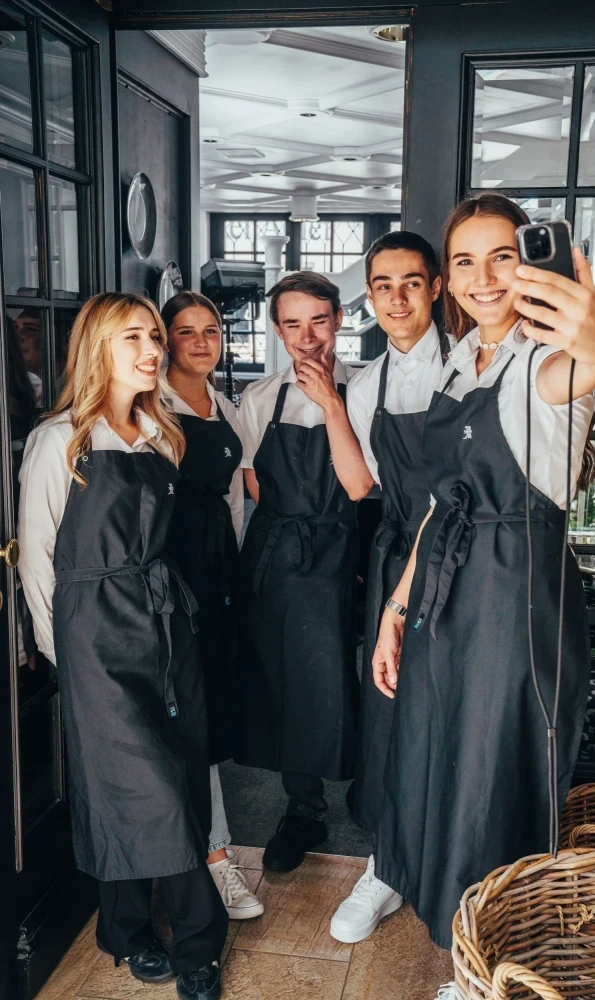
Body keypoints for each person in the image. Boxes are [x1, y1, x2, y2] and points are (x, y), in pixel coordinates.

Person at [372, 193, 595, 953]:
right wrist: (396, 608)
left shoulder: (543, 362)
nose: (483, 278)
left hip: (514, 597)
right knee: (434, 755)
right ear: (447, 279)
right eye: (465, 261)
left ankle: (489, 947)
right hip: (445, 593)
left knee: (493, 771)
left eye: (503, 258)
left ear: (528, 269)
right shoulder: (459, 363)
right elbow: (436, 506)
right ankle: (438, 909)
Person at [18, 292, 228, 1000]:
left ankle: (126, 929)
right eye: (133, 337)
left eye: (154, 336)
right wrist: (62, 651)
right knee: (141, 784)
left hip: (165, 623)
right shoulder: (59, 440)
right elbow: (37, 557)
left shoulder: (161, 432)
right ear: (98, 348)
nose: (152, 350)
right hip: (94, 634)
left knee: (176, 773)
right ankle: (196, 941)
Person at [236, 271, 374, 873]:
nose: (308, 336)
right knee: (291, 681)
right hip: (281, 557)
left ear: (339, 319)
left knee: (356, 677)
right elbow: (253, 482)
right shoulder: (259, 397)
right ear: (277, 330)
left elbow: (362, 484)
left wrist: (330, 404)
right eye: (293, 323)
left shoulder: (365, 387)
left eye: (319, 320)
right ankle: (303, 809)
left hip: (346, 549)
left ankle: (375, 795)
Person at [330, 231, 444, 944]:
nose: (396, 299)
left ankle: (447, 862)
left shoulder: (470, 365)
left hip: (462, 556)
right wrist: (329, 402)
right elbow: (361, 485)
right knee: (389, 707)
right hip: (396, 553)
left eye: (410, 283)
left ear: (435, 287)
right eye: (382, 286)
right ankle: (387, 864)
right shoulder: (366, 383)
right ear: (369, 297)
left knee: (447, 708)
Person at [160, 291, 264, 921]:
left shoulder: (226, 406)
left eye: (211, 331)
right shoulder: (151, 408)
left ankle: (204, 853)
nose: (201, 342)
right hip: (171, 574)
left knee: (208, 712)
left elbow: (233, 501)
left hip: (217, 569)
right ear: (165, 339)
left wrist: (236, 572)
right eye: (186, 331)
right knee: (183, 718)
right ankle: (212, 859)